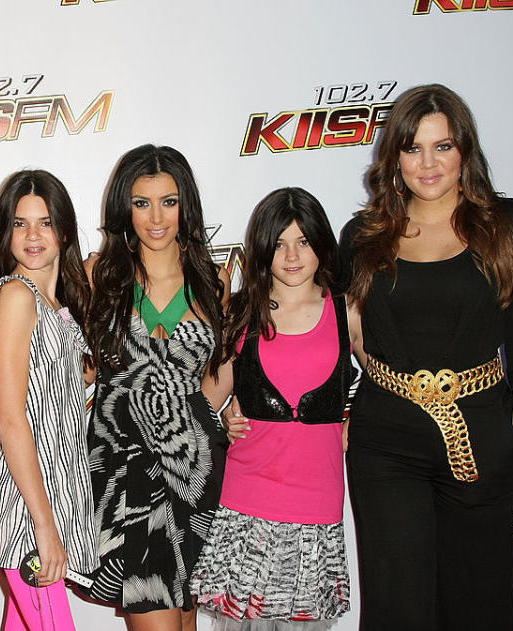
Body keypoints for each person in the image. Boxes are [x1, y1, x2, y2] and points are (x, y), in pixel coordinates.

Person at [339, 84, 513, 630]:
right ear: (394, 157)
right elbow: (341, 337)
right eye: (413, 148)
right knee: (397, 612)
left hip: (483, 440)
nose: (428, 163)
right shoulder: (363, 236)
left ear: (465, 150)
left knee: (476, 607)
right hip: (386, 445)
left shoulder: (509, 225)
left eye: (443, 146)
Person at [192, 188, 357, 631]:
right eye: (280, 243)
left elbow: (388, 377)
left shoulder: (347, 312)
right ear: (263, 250)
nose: (292, 255)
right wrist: (224, 420)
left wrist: (354, 418)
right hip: (247, 500)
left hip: (316, 507)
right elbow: (206, 399)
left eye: (303, 241)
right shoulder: (244, 314)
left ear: (321, 244)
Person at [84, 144, 230, 631]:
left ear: (185, 203)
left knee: (187, 623)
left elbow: (215, 376)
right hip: (129, 480)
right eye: (141, 203)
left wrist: (224, 413)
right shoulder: (97, 276)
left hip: (196, 472)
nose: (155, 217)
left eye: (168, 201)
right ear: (124, 208)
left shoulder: (214, 281)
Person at [0, 170, 98, 631]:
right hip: (27, 506)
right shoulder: (15, 296)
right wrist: (44, 526)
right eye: (19, 223)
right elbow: (10, 419)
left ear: (63, 230)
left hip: (54, 497)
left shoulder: (55, 306)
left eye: (44, 222)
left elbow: (71, 384)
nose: (32, 235)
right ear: (4, 233)